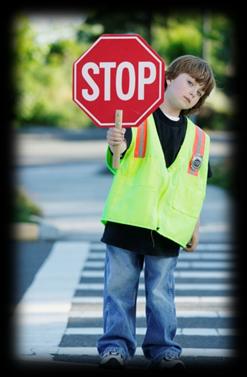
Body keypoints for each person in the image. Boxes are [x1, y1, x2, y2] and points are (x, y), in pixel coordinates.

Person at [96, 55, 216, 370]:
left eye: (200, 91)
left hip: (168, 230)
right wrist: (115, 145)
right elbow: (117, 161)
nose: (194, 92)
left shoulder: (201, 140)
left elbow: (196, 189)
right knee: (118, 290)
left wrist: (194, 229)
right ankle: (115, 348)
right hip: (127, 222)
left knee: (161, 294)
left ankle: (164, 350)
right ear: (168, 77)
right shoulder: (137, 120)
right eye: (190, 82)